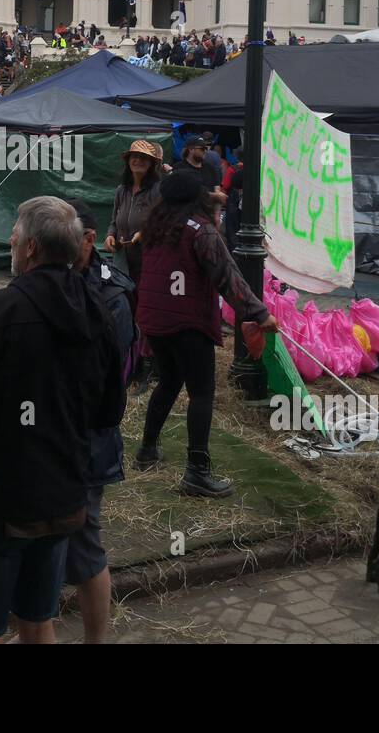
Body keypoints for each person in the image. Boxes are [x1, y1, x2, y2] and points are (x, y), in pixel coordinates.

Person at [0, 197, 123, 644]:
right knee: (38, 619)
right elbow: (109, 411)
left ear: (31, 248)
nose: (12, 242)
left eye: (14, 236)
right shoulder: (99, 310)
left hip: (0, 500)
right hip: (63, 494)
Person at [134, 172, 277, 496]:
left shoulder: (155, 229)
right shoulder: (201, 231)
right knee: (201, 392)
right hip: (187, 324)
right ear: (195, 197)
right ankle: (197, 472)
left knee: (169, 381)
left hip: (154, 321)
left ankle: (146, 450)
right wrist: (260, 313)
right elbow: (229, 278)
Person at [64, 198, 133, 645]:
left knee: (85, 544)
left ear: (89, 240)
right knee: (43, 542)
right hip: (48, 439)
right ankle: (36, 628)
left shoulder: (113, 294)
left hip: (87, 441)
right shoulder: (46, 279)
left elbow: (114, 379)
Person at [104, 140, 164, 286]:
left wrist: (145, 233)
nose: (138, 160)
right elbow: (114, 222)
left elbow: (163, 222)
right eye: (134, 156)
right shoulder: (121, 190)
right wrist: (110, 235)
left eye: (143, 157)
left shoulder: (158, 190)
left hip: (147, 258)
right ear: (128, 161)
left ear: (150, 164)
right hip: (122, 261)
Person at [172, 133, 225, 205]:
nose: (205, 151)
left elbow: (217, 193)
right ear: (191, 149)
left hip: (207, 213)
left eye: (206, 148)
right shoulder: (178, 168)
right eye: (202, 149)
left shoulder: (210, 168)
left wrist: (216, 215)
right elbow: (181, 193)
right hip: (186, 212)